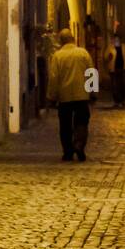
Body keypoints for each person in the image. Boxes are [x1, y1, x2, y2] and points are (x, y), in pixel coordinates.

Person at [47, 27, 95, 162]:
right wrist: (93, 92)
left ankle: (68, 151)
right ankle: (79, 144)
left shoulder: (58, 56)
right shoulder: (83, 53)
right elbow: (91, 72)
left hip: (65, 96)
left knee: (65, 125)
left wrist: (52, 96)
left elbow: (54, 78)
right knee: (82, 121)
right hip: (82, 95)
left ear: (61, 41)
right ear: (73, 38)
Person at [105, 25, 125, 109]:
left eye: (118, 39)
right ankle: (116, 101)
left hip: (123, 69)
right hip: (113, 69)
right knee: (114, 86)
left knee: (123, 85)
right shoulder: (110, 48)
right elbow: (106, 57)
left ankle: (123, 100)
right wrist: (108, 57)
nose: (116, 41)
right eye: (115, 39)